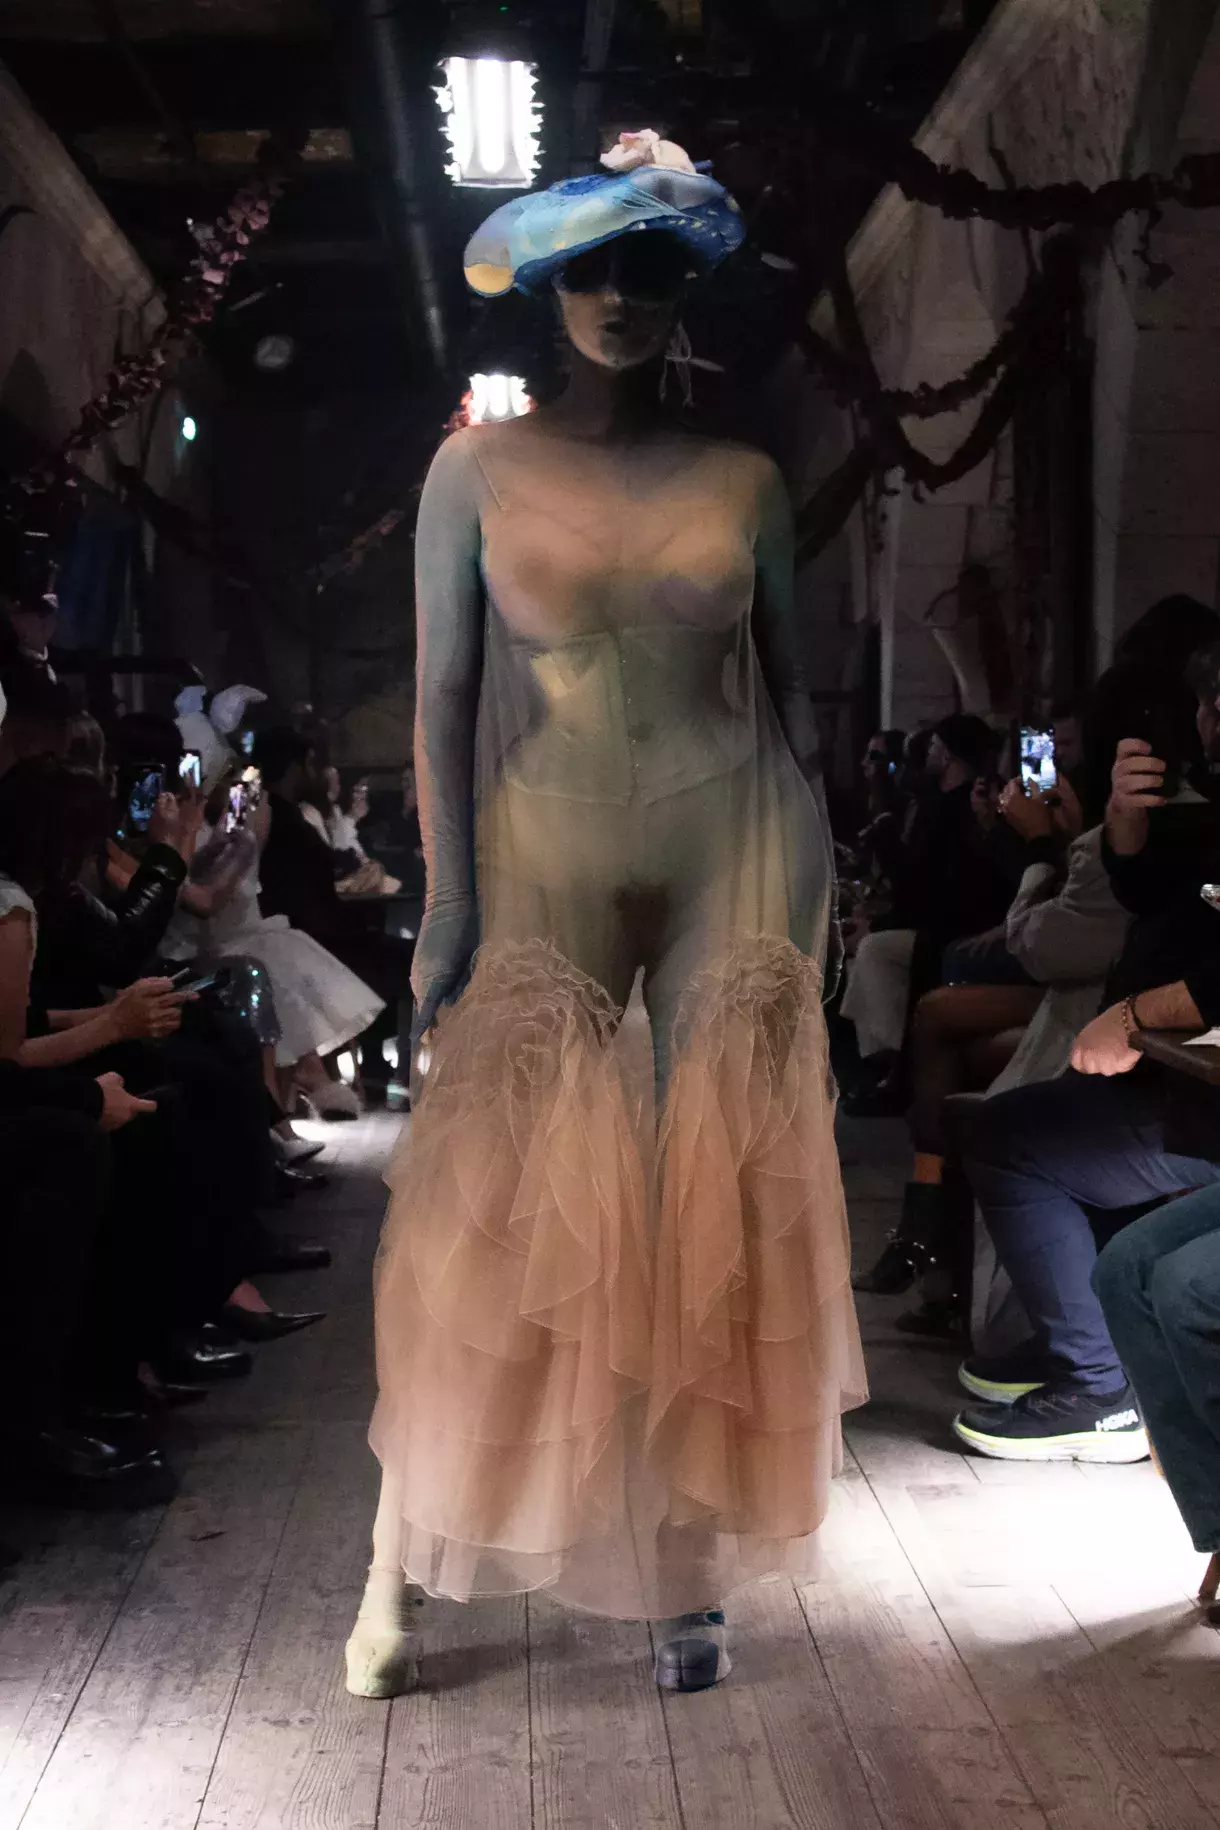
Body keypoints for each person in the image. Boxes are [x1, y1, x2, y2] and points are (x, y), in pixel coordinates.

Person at [344, 130, 865, 1701]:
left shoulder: (745, 476)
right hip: (546, 835)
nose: (619, 298)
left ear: (684, 283)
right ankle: (398, 1557)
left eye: (647, 267)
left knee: (715, 1208)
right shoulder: (474, 470)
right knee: (501, 1203)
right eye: (591, 271)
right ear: (552, 289)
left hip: (738, 838)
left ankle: (685, 1565)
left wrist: (833, 862)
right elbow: (439, 697)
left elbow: (796, 692)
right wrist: (446, 900)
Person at [951, 638, 1220, 1461]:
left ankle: (1098, 1387)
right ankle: (1094, 1353)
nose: (1204, 723)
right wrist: (1126, 827)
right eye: (1203, 704)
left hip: (1195, 1089)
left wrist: (1134, 1016)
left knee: (1007, 1136)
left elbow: (1056, 946)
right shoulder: (1201, 809)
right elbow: (1168, 903)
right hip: (1176, 1067)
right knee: (1018, 1118)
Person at [254, 726, 413, 1093]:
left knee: (392, 952)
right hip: (316, 938)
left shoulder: (279, 815)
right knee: (406, 959)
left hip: (312, 931)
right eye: (309, 766)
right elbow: (314, 888)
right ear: (294, 768)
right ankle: (388, 1066)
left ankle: (379, 1064)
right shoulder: (285, 820)